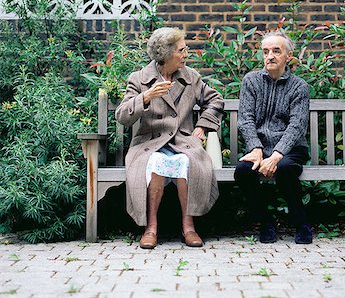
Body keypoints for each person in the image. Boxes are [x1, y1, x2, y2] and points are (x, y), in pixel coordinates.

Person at [115, 27, 224, 249]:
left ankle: (189, 227)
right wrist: (146, 97)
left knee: (187, 162)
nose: (186, 54)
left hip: (182, 141)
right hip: (149, 143)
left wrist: (202, 127)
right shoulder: (140, 79)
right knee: (154, 162)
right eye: (182, 50)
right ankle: (150, 228)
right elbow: (122, 115)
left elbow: (216, 101)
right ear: (166, 54)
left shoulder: (191, 78)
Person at [234, 30, 312, 244]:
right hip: (259, 147)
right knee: (242, 171)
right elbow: (246, 119)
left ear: (288, 56)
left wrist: (276, 155)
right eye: (266, 51)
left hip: (290, 149)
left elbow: (297, 126)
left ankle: (301, 222)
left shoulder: (299, 87)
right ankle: (266, 222)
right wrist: (256, 149)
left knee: (286, 169)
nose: (270, 56)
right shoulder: (251, 81)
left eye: (276, 51)